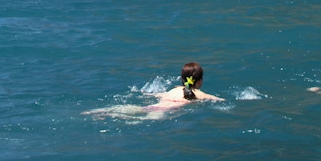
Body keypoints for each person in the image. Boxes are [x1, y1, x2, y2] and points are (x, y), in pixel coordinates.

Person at [82, 62, 224, 119]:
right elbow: (216, 100)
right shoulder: (199, 94)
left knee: (137, 109)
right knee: (140, 120)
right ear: (199, 81)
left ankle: (103, 111)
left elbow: (159, 94)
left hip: (155, 105)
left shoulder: (174, 89)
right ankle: (110, 115)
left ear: (182, 79)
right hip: (164, 110)